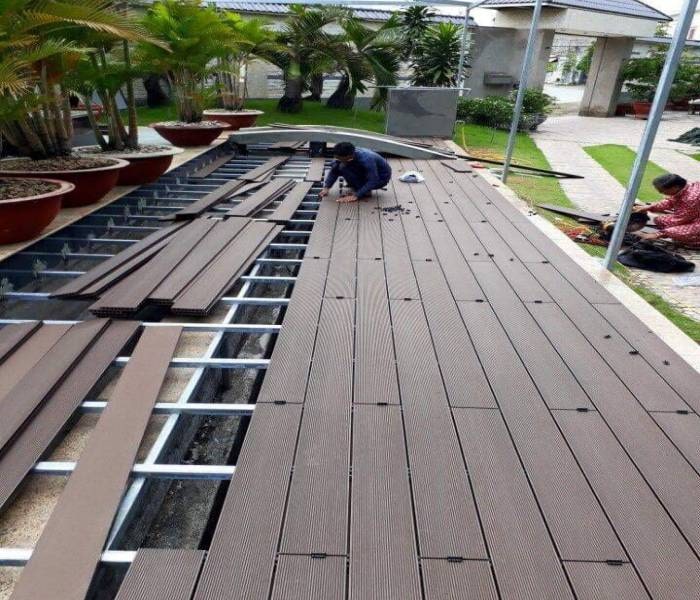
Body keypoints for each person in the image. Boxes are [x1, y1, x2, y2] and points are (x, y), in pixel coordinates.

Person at [633, 173, 700, 248]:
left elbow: (680, 219)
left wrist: (657, 234)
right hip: (693, 215)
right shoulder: (685, 187)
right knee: (659, 220)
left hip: (694, 220)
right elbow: (670, 201)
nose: (660, 193)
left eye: (662, 191)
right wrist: (650, 207)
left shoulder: (691, 199)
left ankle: (695, 242)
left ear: (675, 187)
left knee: (675, 232)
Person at [319, 142, 392, 203]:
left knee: (344, 167)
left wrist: (356, 195)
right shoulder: (348, 156)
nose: (337, 159)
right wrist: (326, 187)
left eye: (340, 158)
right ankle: (360, 187)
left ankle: (365, 192)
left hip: (381, 178)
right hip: (366, 173)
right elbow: (334, 170)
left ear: (349, 156)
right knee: (339, 165)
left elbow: (373, 180)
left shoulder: (366, 159)